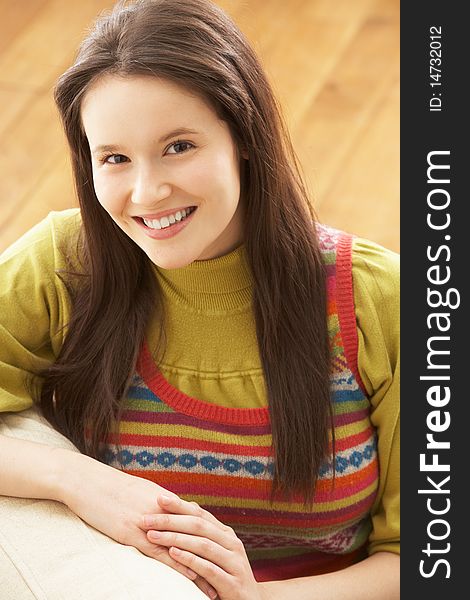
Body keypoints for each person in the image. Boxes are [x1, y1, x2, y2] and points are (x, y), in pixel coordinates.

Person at [0, 0, 400, 598]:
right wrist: (74, 478)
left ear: (242, 135)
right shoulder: (65, 264)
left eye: (179, 146)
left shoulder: (378, 298)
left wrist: (255, 598)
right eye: (114, 158)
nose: (147, 191)